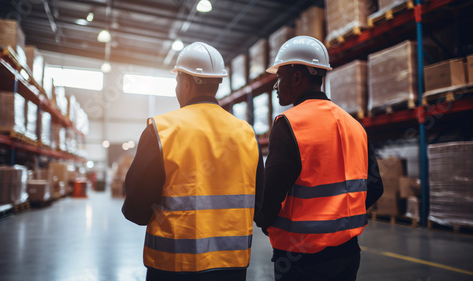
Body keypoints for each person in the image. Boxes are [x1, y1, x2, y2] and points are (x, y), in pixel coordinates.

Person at [122, 42, 264, 281]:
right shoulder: (246, 133)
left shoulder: (162, 130)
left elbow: (136, 205)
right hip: (231, 266)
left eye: (177, 80)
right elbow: (259, 202)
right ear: (217, 83)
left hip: (173, 266)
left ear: (185, 83)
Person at [254, 36, 384, 281]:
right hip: (348, 254)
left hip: (300, 257)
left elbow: (269, 197)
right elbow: (375, 187)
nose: (276, 86)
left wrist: (263, 221)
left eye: (279, 77)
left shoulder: (289, 124)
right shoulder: (354, 125)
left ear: (296, 77)